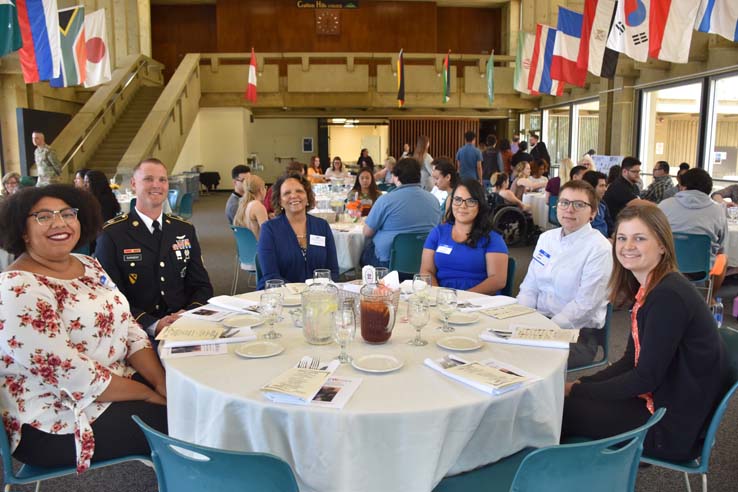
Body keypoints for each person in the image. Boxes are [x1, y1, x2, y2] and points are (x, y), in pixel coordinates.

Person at [0, 184, 167, 473]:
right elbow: (70, 374)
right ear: (22, 230)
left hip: (117, 379)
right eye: (43, 216)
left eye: (67, 213)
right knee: (188, 418)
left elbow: (128, 326)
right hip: (57, 417)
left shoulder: (88, 264)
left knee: (190, 390)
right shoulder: (16, 288)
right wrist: (147, 393)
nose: (59, 223)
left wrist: (160, 381)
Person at [562, 204, 728, 462]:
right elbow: (631, 361)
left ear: (662, 245)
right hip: (665, 402)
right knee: (566, 403)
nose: (628, 246)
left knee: (557, 411)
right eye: (622, 238)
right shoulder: (654, 288)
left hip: (669, 426)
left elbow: (644, 379)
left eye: (639, 238)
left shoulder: (667, 297)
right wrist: (581, 384)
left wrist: (578, 392)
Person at [95, 158, 213, 338]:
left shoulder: (183, 230)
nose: (156, 185)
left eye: (162, 180)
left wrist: (189, 313)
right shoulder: (112, 234)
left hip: (186, 323)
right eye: (149, 179)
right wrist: (152, 324)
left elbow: (202, 285)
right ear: (134, 184)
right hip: (136, 330)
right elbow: (111, 295)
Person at [517, 180, 613, 367]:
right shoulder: (546, 238)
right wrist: (523, 318)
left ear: (593, 213)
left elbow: (584, 306)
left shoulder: (599, 248)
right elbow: (530, 287)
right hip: (537, 322)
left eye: (579, 205)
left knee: (524, 359)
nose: (569, 209)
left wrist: (544, 329)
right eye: (564, 202)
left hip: (577, 333)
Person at [420, 179, 508, 294]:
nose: (462, 206)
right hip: (442, 299)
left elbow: (498, 280)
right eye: (458, 200)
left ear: (480, 205)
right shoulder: (438, 233)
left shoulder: (492, 238)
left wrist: (462, 298)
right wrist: (438, 295)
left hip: (479, 301)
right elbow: (426, 271)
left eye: (470, 201)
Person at [257, 173, 338, 289]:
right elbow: (271, 276)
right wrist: (301, 292)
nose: (294, 196)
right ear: (280, 201)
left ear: (307, 196)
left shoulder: (322, 226)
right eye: (287, 193)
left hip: (319, 296)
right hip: (282, 297)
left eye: (299, 191)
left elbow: (333, 271)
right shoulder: (269, 229)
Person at [659, 168, 727, 301]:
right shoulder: (718, 211)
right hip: (700, 271)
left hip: (666, 266)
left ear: (683, 186)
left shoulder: (664, 206)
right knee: (723, 258)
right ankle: (710, 298)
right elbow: (721, 246)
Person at [361, 157, 442, 268]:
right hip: (424, 262)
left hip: (388, 262)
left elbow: (367, 232)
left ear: (396, 177)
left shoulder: (386, 200)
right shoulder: (434, 200)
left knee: (364, 254)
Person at [233, 174, 268, 240]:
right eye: (265, 187)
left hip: (247, 248)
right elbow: (267, 233)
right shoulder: (257, 205)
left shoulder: (243, 204)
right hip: (259, 248)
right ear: (261, 190)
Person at [582, 170, 613, 238]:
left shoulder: (602, 204)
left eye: (605, 185)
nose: (605, 189)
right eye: (601, 186)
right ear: (591, 187)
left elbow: (610, 226)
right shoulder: (582, 207)